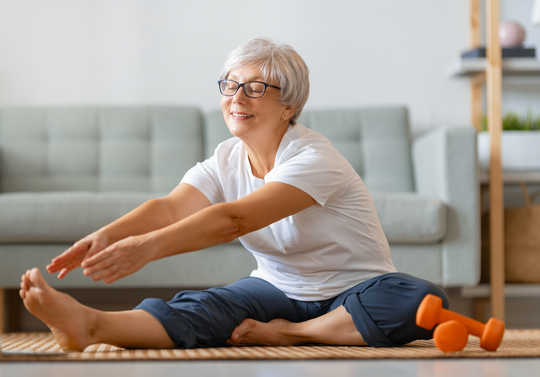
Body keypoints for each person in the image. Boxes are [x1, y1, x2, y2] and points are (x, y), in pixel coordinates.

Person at [19, 37, 449, 351]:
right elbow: (170, 208)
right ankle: (90, 324)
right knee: (207, 305)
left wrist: (146, 249)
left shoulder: (314, 156)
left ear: (290, 105)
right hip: (275, 289)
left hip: (354, 290)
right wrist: (108, 236)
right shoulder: (226, 158)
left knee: (420, 299)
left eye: (256, 87)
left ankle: (290, 334)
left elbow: (234, 221)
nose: (237, 97)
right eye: (230, 84)